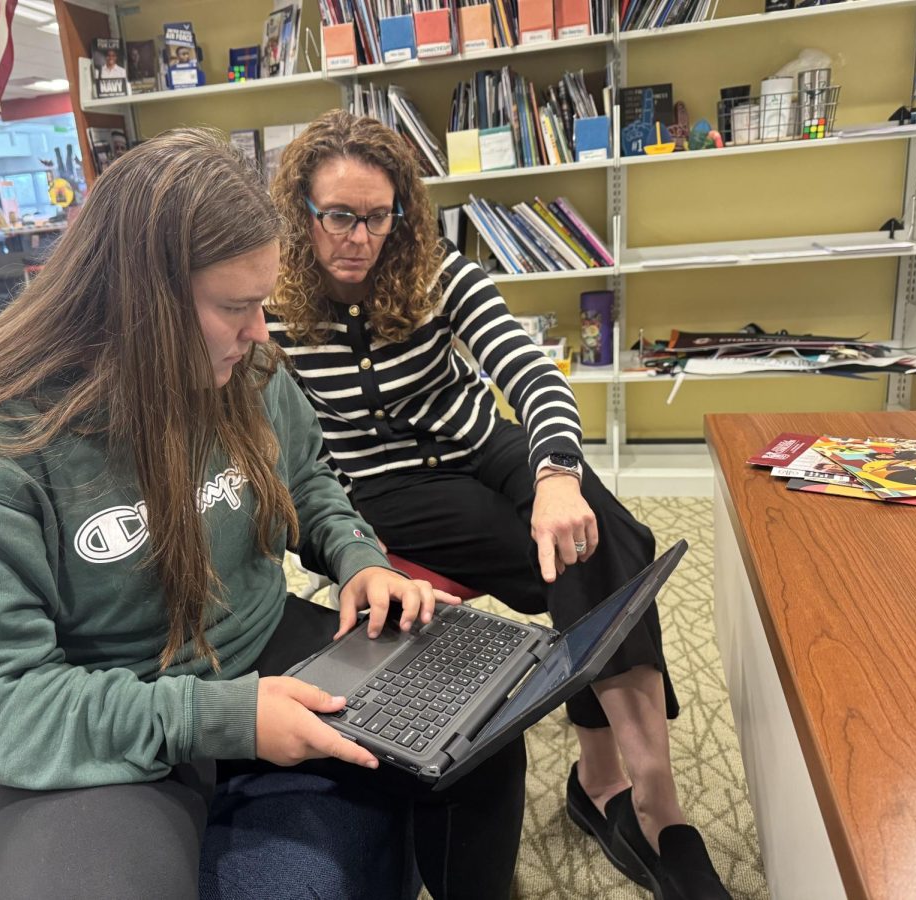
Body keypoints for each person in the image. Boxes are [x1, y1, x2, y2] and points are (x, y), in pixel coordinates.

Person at [0, 128, 527, 900]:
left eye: (263, 303)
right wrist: (219, 717)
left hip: (256, 643)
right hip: (92, 697)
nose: (261, 333)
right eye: (235, 307)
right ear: (136, 303)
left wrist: (359, 557)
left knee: (485, 723)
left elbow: (307, 477)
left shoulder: (243, 365)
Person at [265, 110, 732, 900]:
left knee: (597, 522)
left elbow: (531, 372)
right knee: (576, 560)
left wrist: (554, 475)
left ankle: (646, 794)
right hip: (381, 490)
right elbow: (286, 459)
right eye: (340, 215)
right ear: (301, 214)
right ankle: (621, 795)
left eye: (381, 216)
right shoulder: (272, 306)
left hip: (484, 445)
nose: (361, 236)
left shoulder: (437, 271)